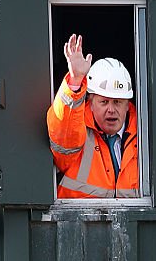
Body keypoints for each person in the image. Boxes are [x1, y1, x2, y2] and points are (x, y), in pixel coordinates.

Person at [47, 34, 139, 200]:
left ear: (127, 105)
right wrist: (75, 81)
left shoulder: (145, 136)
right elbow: (62, 132)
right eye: (104, 102)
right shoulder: (77, 130)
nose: (111, 109)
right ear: (90, 102)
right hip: (78, 224)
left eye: (117, 102)